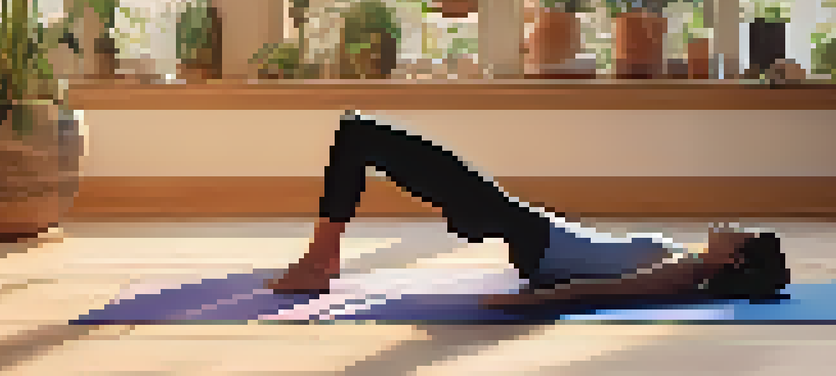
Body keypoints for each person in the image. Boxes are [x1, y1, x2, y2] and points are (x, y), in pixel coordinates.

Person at [270, 110, 790, 309]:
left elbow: (607, 292)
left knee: (360, 135)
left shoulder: (687, 272)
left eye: (739, 235)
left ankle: (322, 259)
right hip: (522, 224)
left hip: (524, 231)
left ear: (735, 261)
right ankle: (323, 257)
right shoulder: (689, 263)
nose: (730, 226)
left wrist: (522, 306)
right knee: (360, 137)